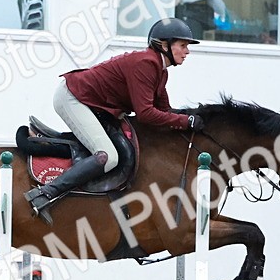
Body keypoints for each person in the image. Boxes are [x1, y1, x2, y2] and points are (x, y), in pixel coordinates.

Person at [25, 18, 206, 224]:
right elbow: (146, 114)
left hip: (92, 104)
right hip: (73, 98)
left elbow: (165, 111)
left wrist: (193, 118)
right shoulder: (146, 64)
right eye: (183, 45)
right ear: (164, 45)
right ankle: (44, 193)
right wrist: (186, 121)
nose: (187, 51)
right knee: (107, 156)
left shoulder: (160, 71)